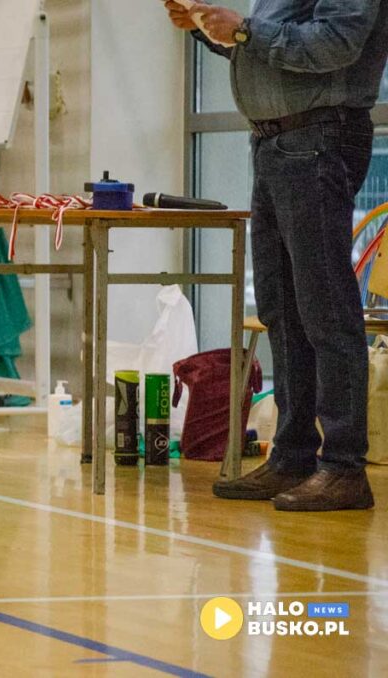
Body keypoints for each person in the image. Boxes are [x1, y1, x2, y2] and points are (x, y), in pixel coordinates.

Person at [164, 1, 388, 510]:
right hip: (277, 143)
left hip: (318, 137)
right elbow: (272, 51)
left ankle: (345, 466)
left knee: (325, 311)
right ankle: (293, 455)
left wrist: (243, 30)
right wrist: (209, 31)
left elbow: (335, 44)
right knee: (282, 311)